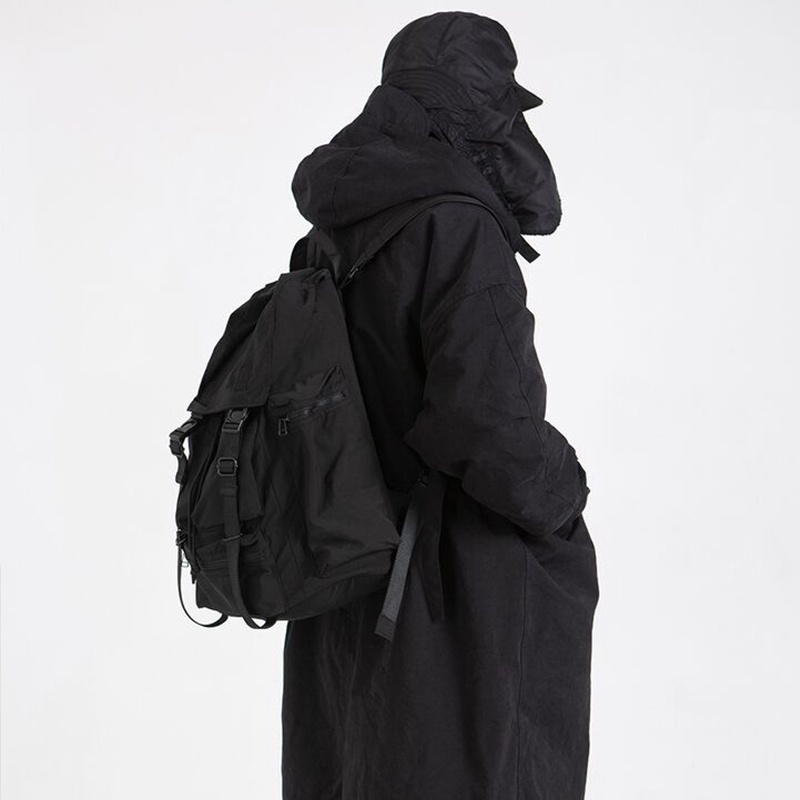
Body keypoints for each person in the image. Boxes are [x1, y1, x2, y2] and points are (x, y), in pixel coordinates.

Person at [282, 11, 600, 800]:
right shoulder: (457, 225)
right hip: (450, 586)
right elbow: (486, 424)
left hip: (344, 564)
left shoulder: (332, 229)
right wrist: (564, 496)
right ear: (477, 109)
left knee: (355, 770)